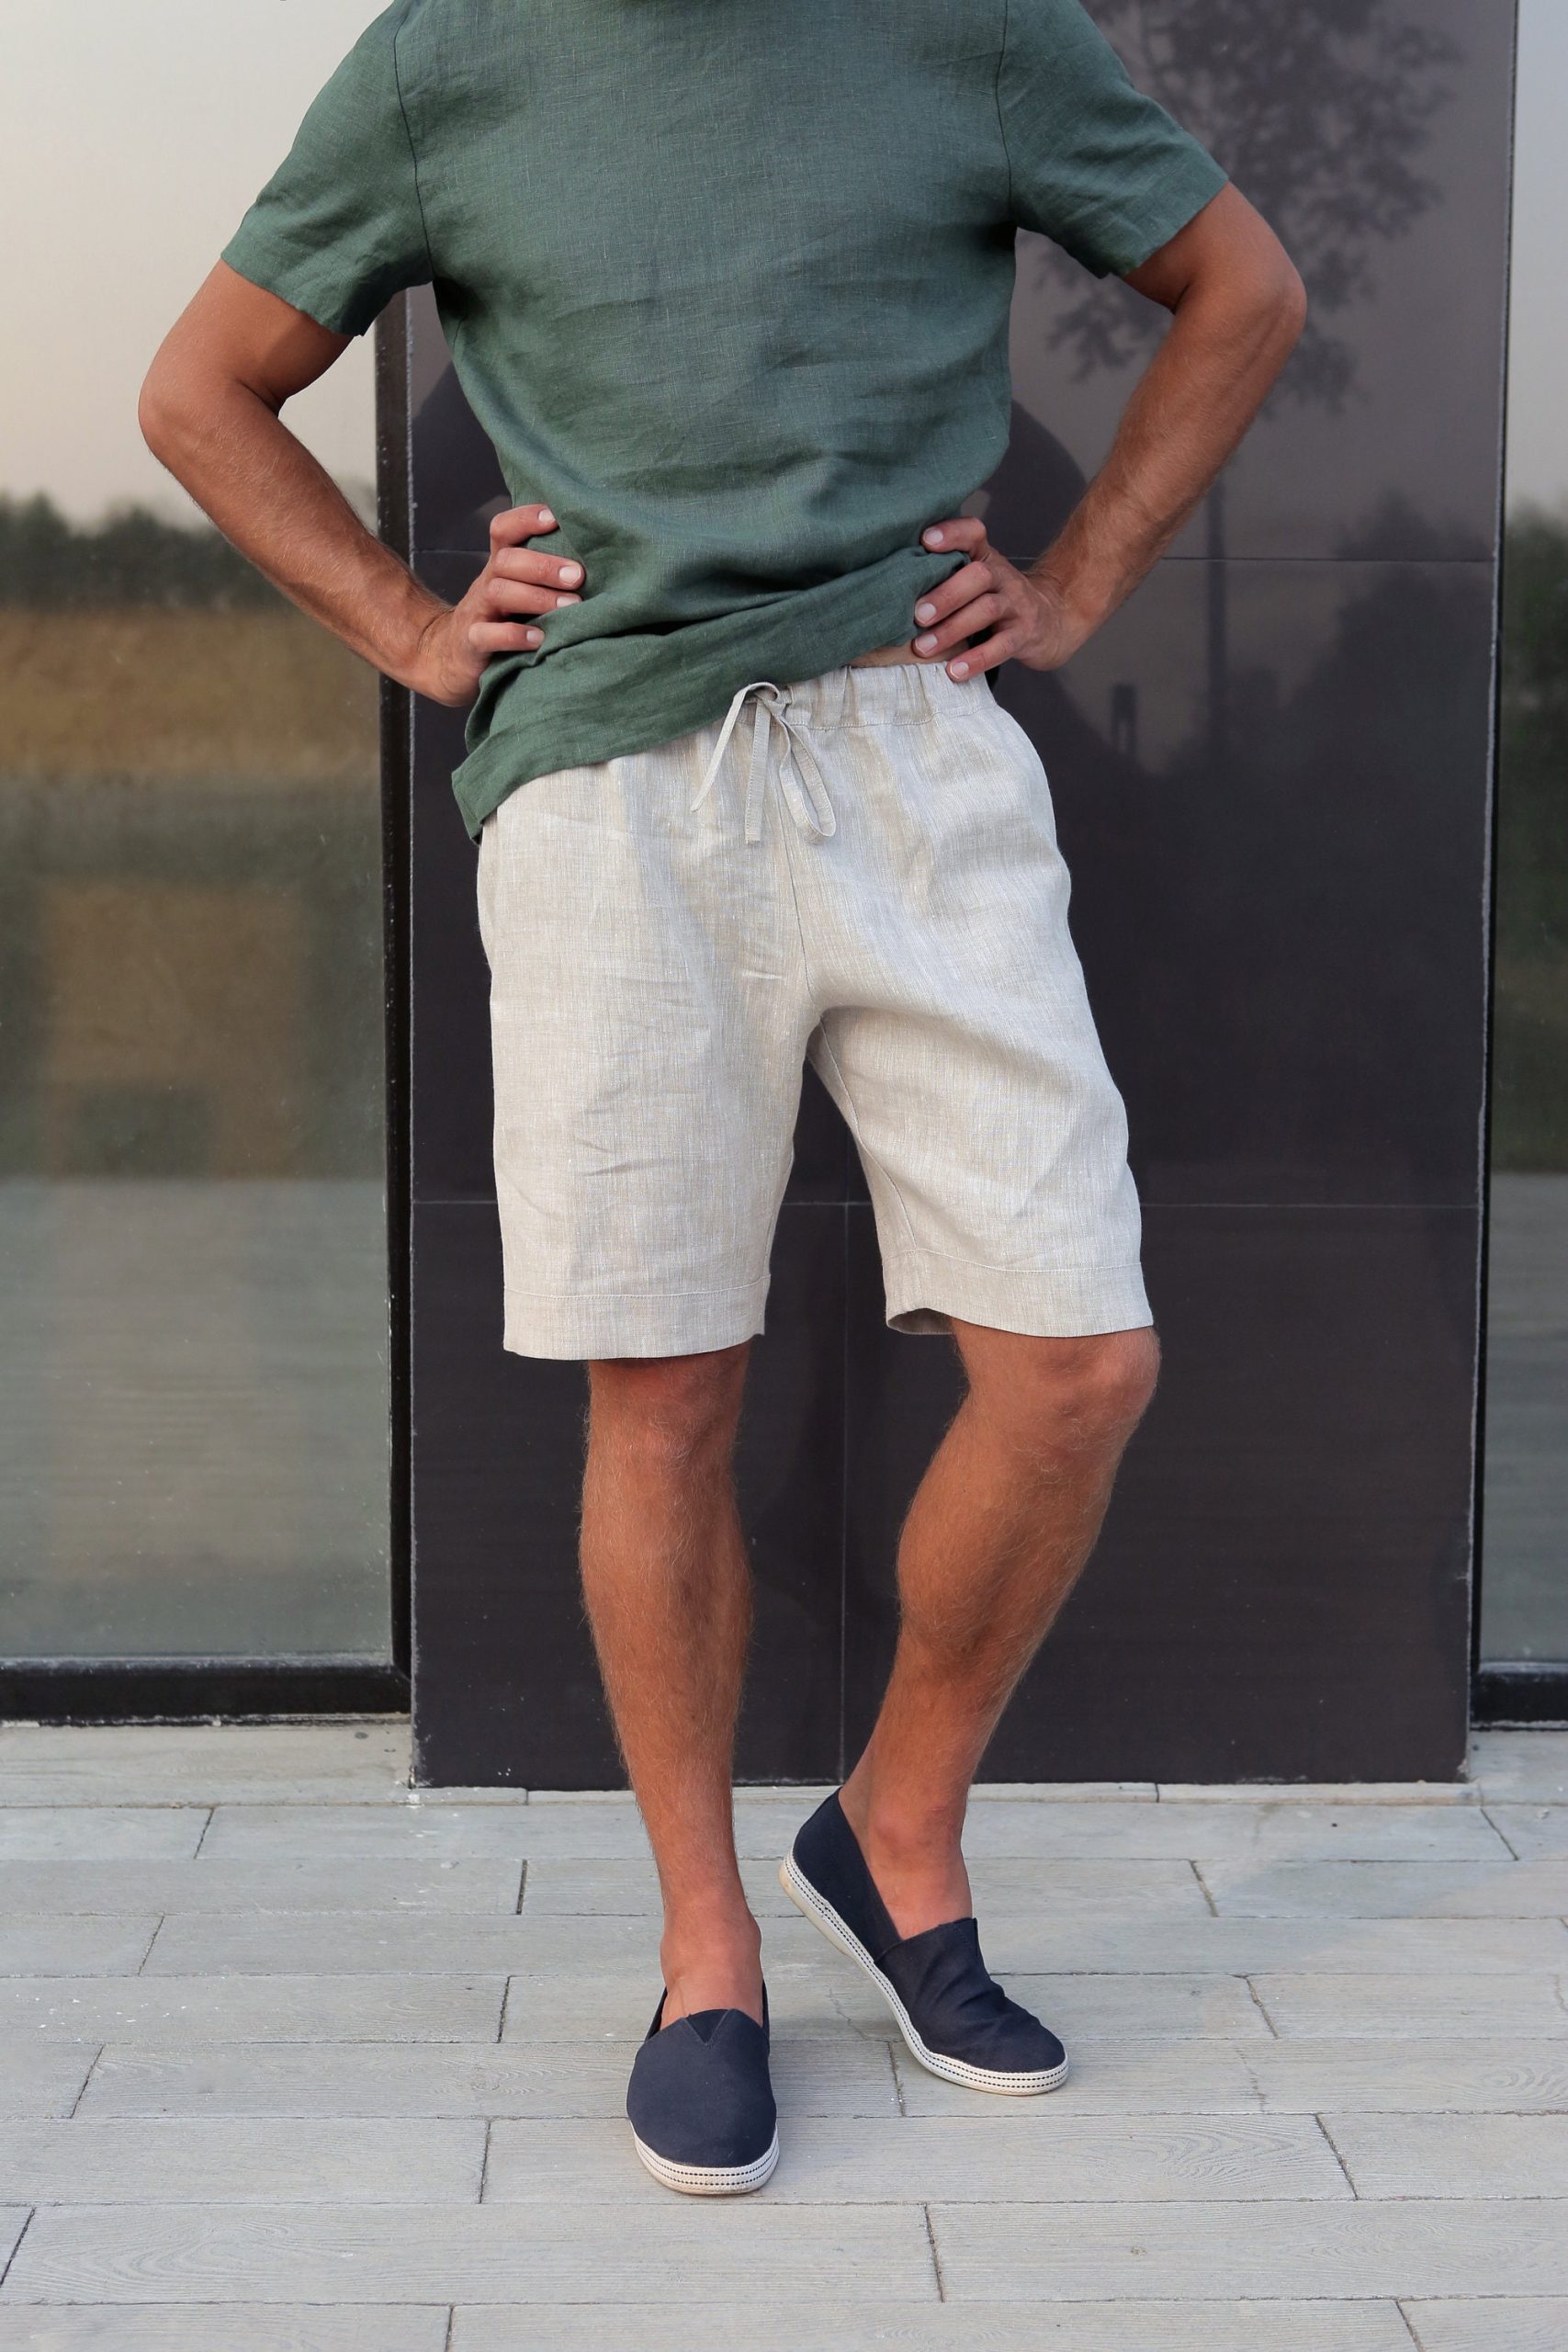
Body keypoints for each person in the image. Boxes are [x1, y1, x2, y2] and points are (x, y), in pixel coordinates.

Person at [141, 0, 1303, 2197]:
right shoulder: (448, 61)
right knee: (661, 1391)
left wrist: (1079, 578)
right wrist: (410, 625)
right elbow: (200, 390)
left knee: (1073, 1361)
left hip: (912, 753)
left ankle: (893, 1827)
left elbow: (1237, 284)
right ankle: (705, 1953)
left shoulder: (965, 30)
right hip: (610, 797)